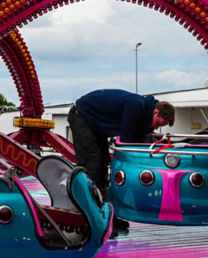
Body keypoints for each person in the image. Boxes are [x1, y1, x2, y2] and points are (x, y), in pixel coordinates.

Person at [67, 90, 175, 231]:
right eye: (158, 123)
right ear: (155, 112)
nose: (156, 128)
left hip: (95, 123)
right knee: (92, 164)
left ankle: (106, 214)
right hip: (81, 115)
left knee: (104, 161)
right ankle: (92, 220)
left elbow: (136, 140)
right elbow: (126, 141)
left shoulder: (142, 114)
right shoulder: (135, 106)